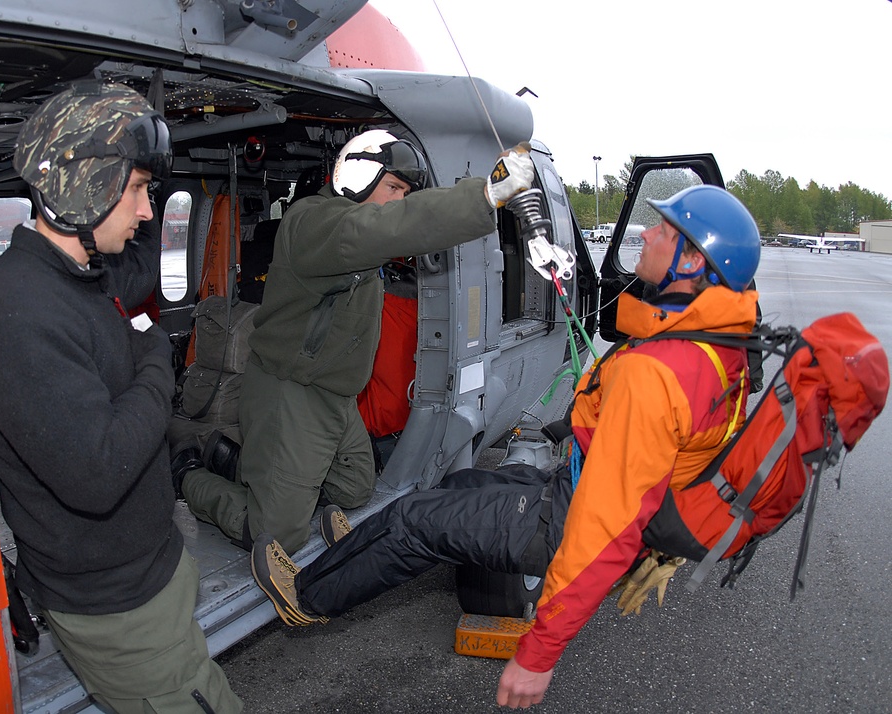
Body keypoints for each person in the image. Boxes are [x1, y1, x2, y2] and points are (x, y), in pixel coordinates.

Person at [248, 184, 762, 708]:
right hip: (579, 483)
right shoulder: (717, 338)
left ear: (693, 261)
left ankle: (305, 598)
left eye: (665, 231)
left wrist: (540, 654)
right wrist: (575, 429)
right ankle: (351, 557)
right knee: (457, 487)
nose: (648, 234)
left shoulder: (661, 372)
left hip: (574, 512)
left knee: (415, 521)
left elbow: (606, 526)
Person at [0, 82, 242, 714]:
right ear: (86, 187)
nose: (148, 211)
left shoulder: (77, 276)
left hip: (146, 567)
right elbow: (98, 472)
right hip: (120, 606)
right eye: (140, 188)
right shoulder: (17, 309)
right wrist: (158, 364)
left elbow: (135, 277)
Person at [175, 129, 537, 553]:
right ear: (359, 176)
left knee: (353, 491)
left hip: (335, 396)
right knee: (274, 536)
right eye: (393, 187)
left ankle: (249, 465)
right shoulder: (317, 222)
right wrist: (484, 196)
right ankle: (189, 472)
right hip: (292, 394)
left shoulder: (355, 233)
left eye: (405, 191)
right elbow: (384, 227)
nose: (399, 199)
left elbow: (386, 228)